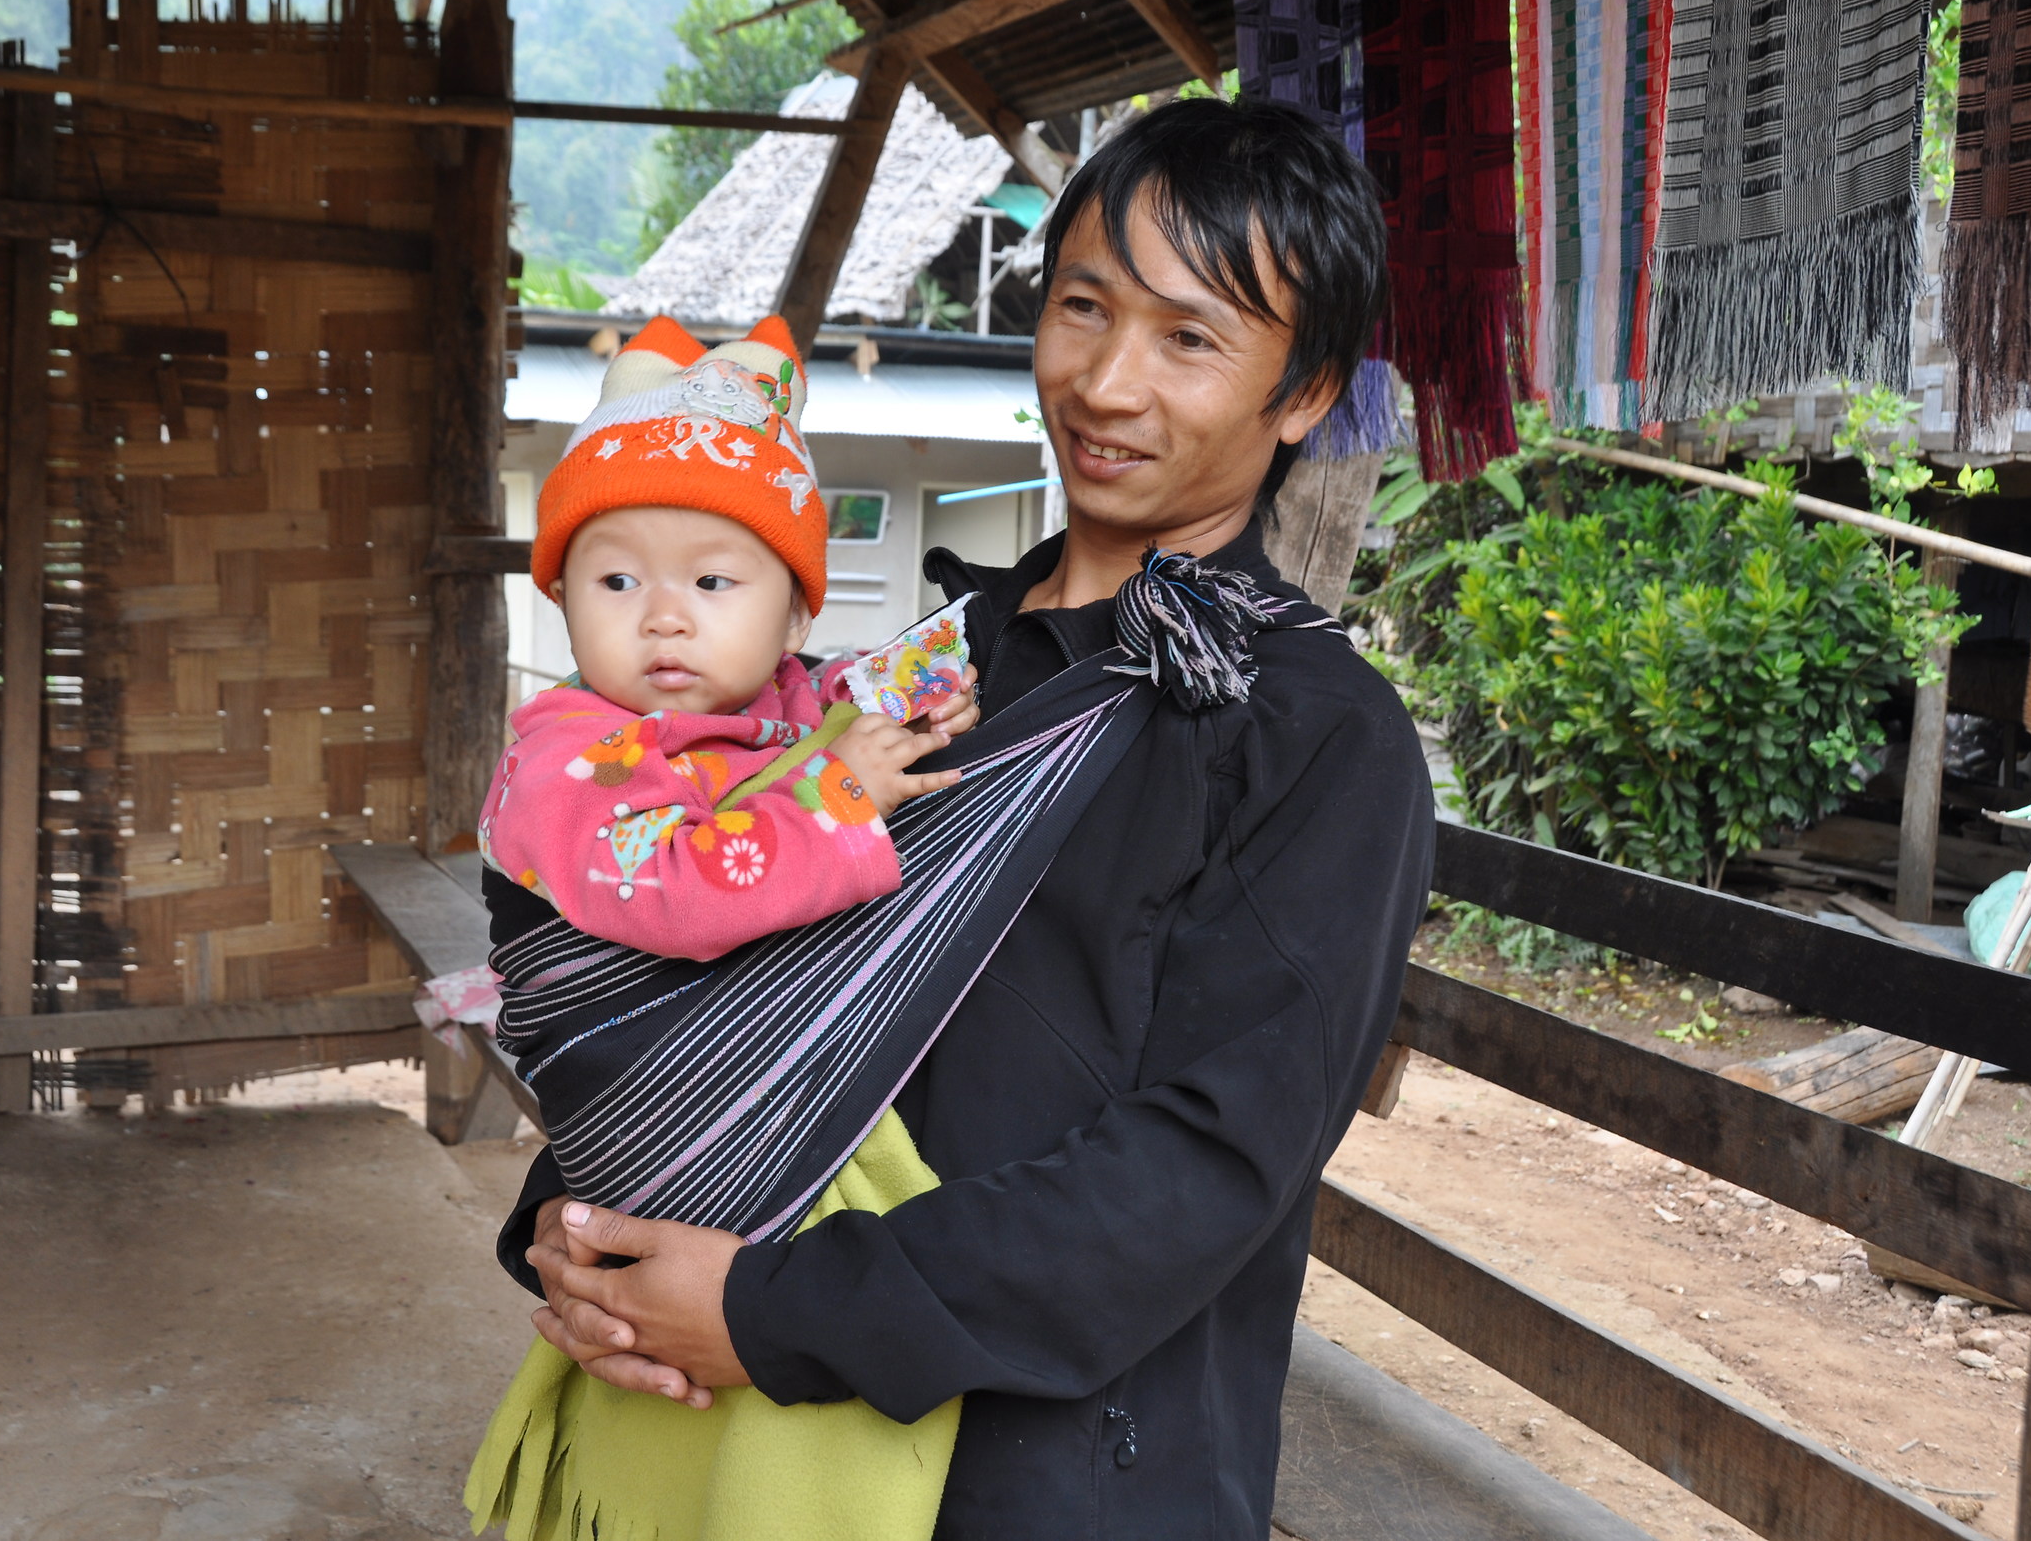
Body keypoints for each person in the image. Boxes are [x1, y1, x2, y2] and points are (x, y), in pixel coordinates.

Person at [496, 96, 1437, 1539]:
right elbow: (703, 952)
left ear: (1304, 391)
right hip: (743, 1440)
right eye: (1083, 308)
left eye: (1189, 339)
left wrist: (767, 1309)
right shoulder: (915, 675)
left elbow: (1202, 1167)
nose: (1107, 383)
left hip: (1055, 1477)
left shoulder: (1311, 738)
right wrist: (579, 1227)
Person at [474, 312, 973, 966]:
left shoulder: (779, 690)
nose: (665, 617)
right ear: (564, 602)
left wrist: (918, 701)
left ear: (795, 617)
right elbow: (675, 900)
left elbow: (825, 696)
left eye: (711, 580)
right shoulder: (565, 764)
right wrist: (840, 793)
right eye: (619, 580)